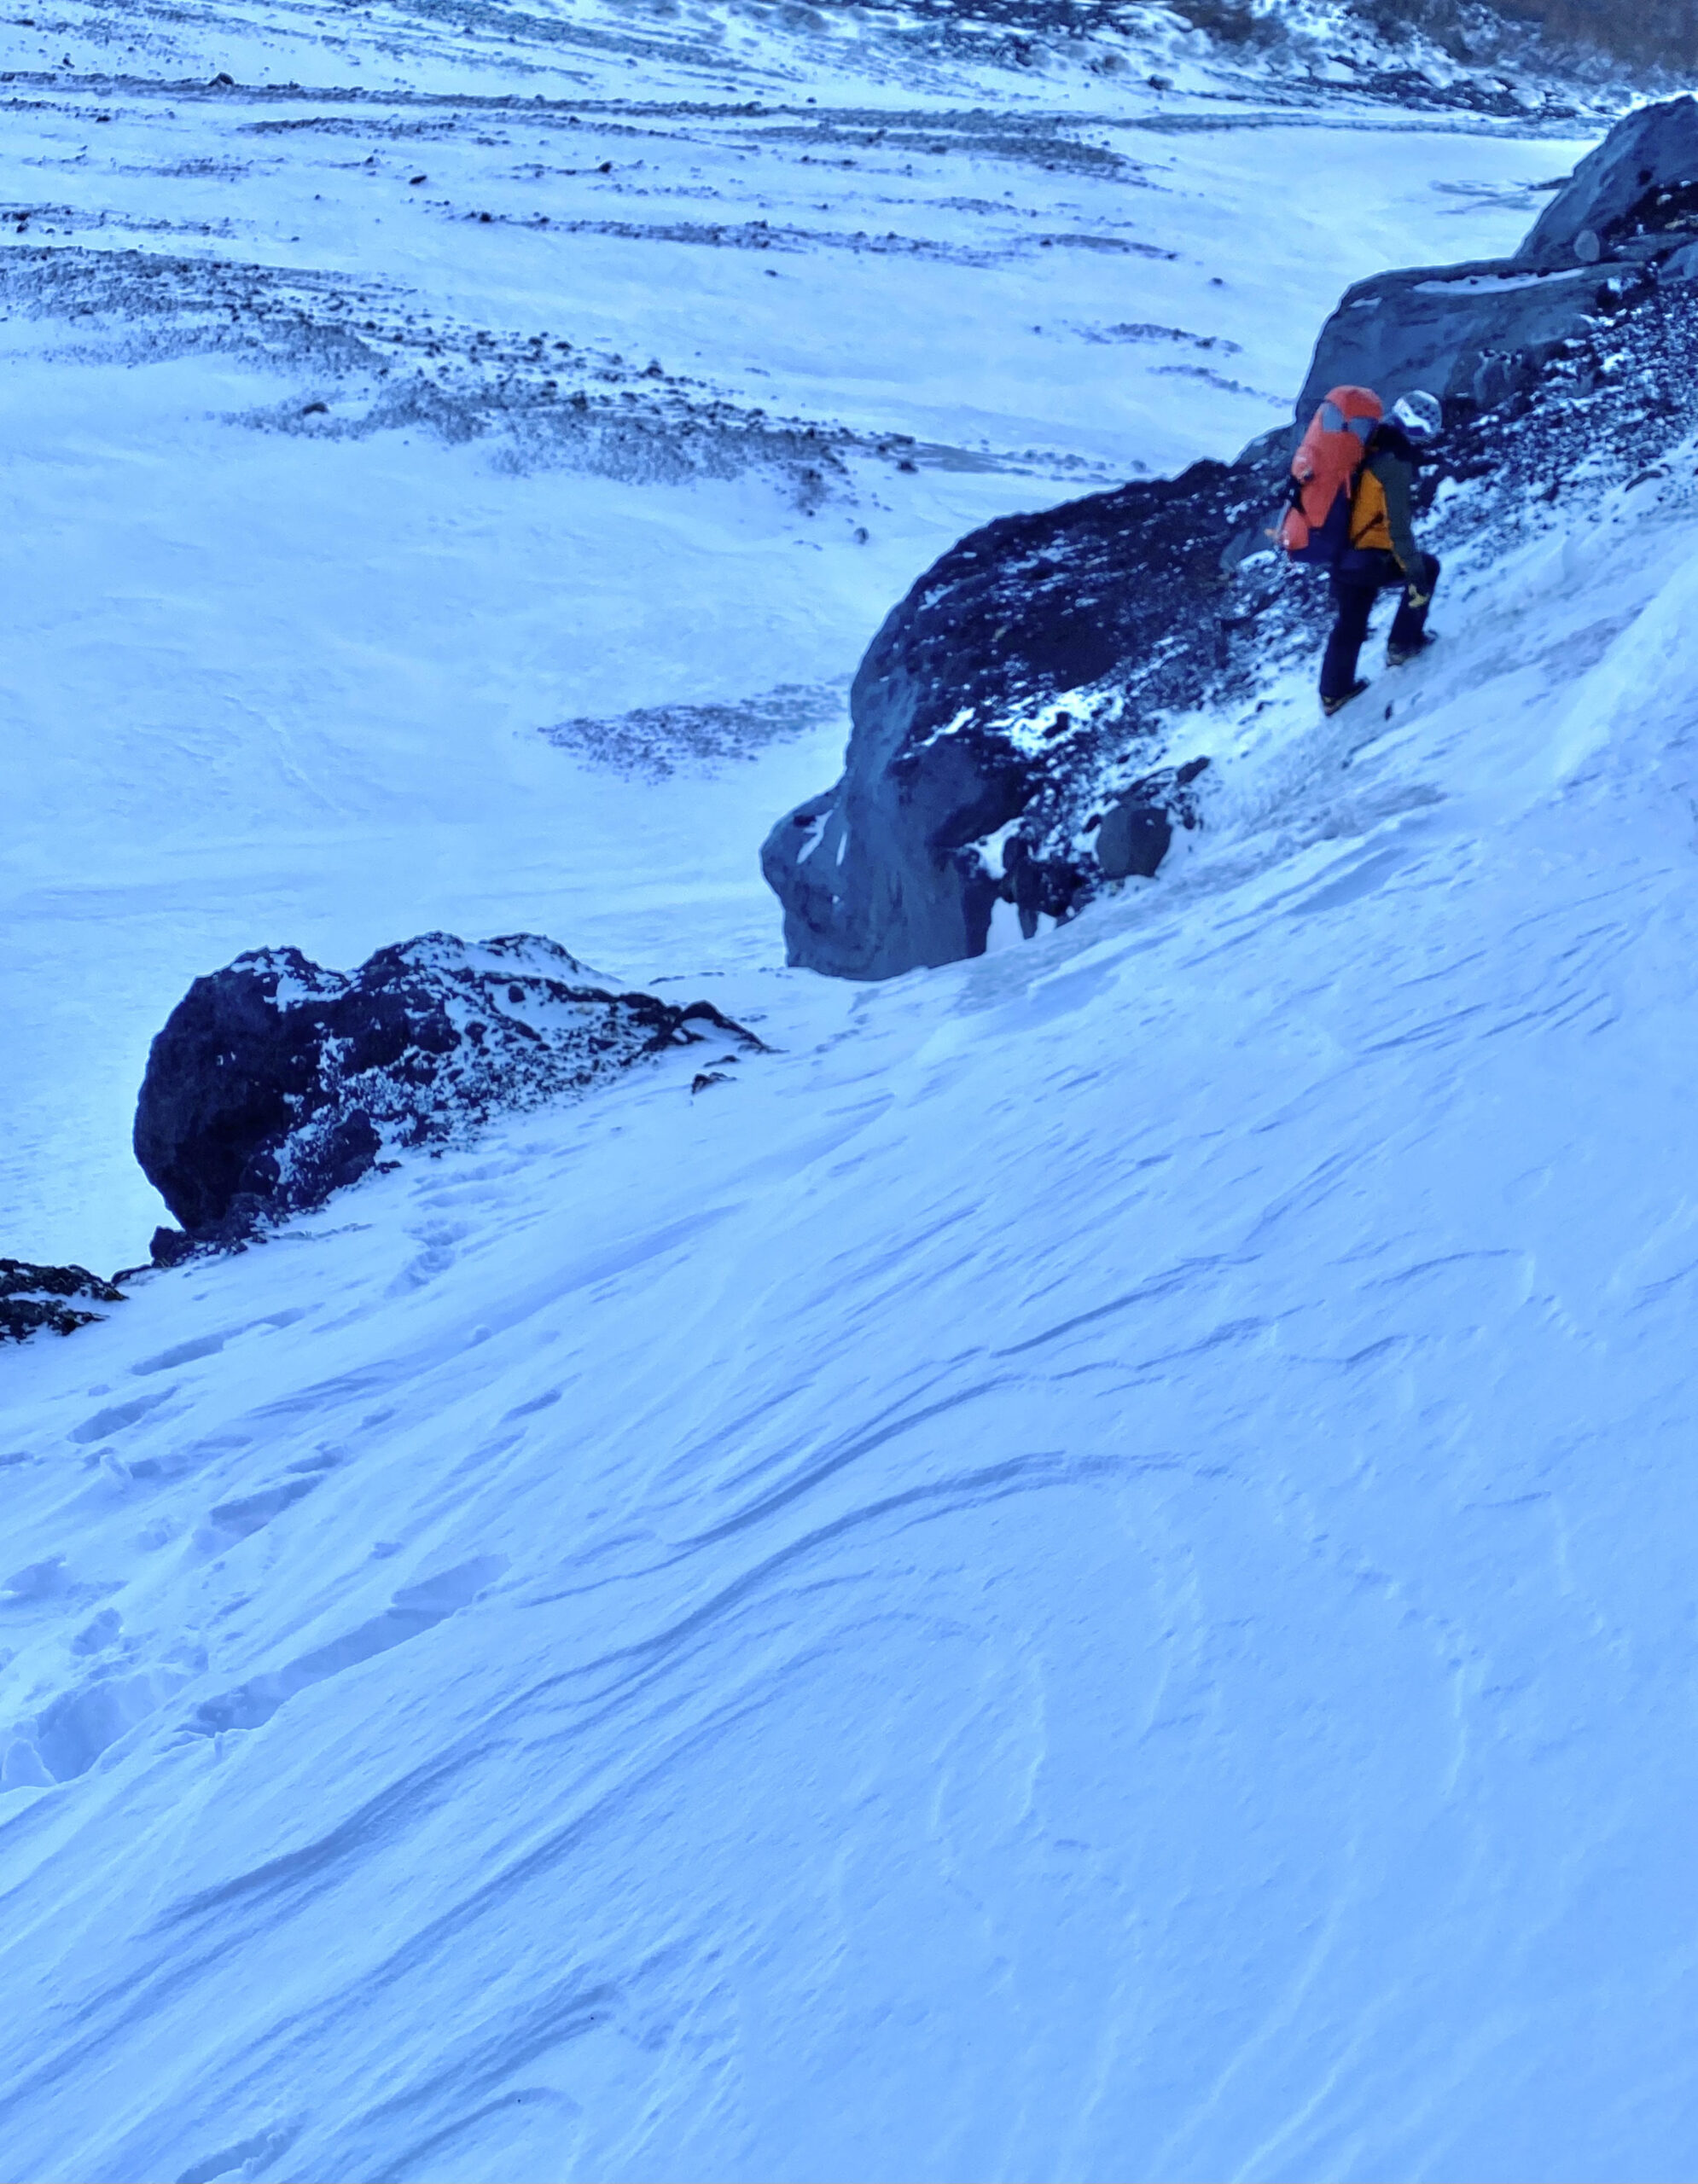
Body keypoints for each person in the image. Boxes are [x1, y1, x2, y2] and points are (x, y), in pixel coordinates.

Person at [1319, 389, 1443, 717]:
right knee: (1428, 568)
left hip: (1340, 553)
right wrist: (1414, 573)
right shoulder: (1395, 466)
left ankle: (1334, 693)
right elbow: (1399, 532)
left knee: (1350, 622)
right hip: (1368, 558)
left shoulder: (1364, 446)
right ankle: (1403, 645)